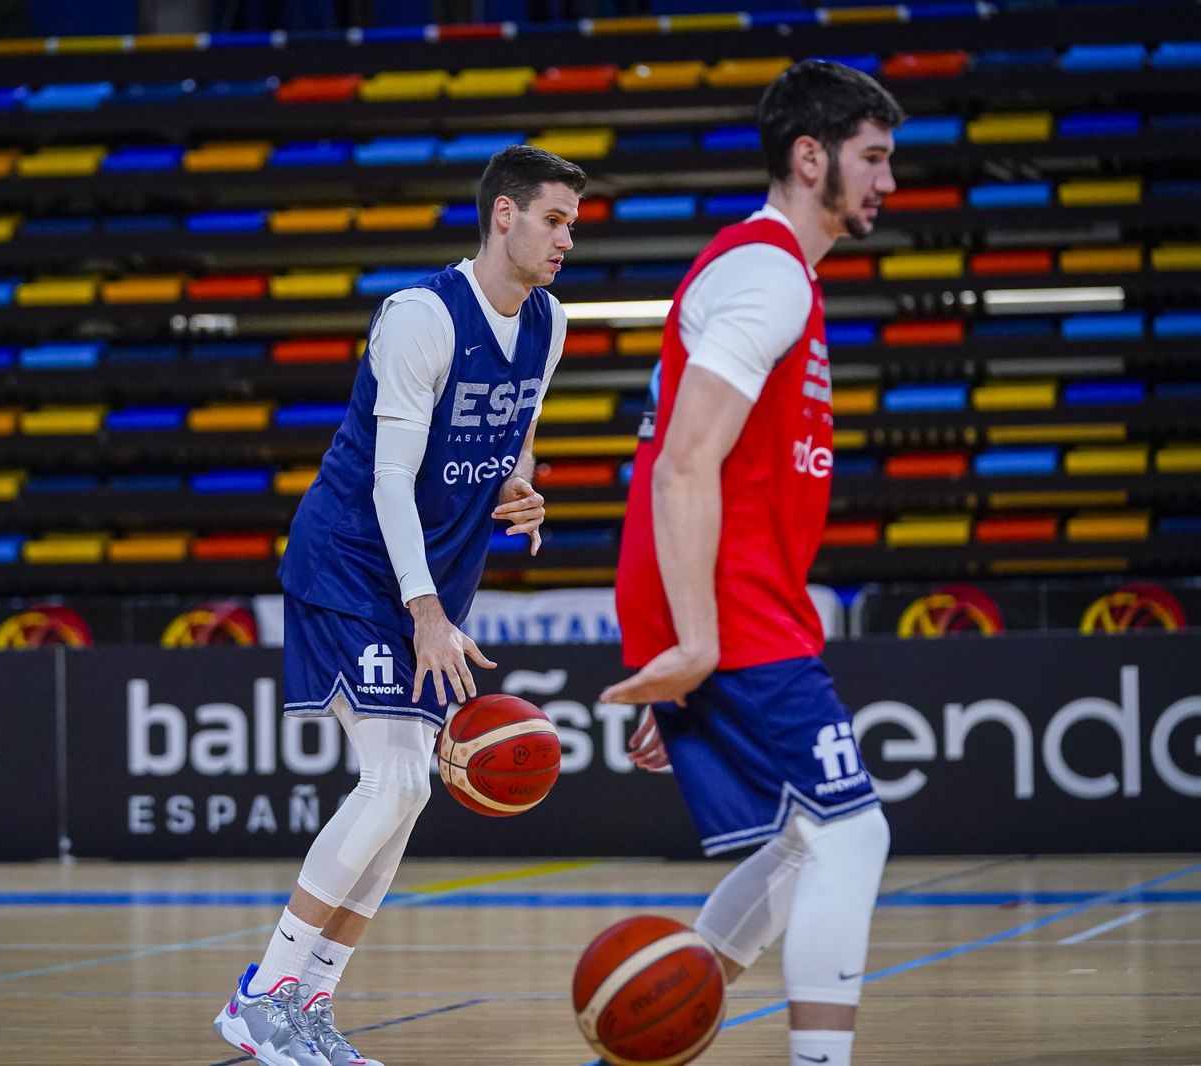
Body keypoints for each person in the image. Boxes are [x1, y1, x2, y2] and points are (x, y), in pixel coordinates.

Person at [213, 144, 586, 1066]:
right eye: (554, 219)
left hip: (432, 577)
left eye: (573, 223)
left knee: (411, 790)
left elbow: (515, 434)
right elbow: (388, 477)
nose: (567, 239)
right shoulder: (420, 316)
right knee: (391, 781)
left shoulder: (551, 324)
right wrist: (424, 608)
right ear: (504, 214)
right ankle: (260, 998)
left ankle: (308, 1003)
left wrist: (519, 490)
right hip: (354, 563)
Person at [604, 60, 905, 1066]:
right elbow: (682, 461)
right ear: (808, 156)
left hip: (731, 607)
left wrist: (675, 635)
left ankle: (642, 1005)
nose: (887, 183)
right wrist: (691, 640)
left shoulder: (774, 274)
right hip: (734, 613)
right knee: (851, 838)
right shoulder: (766, 272)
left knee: (798, 843)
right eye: (872, 157)